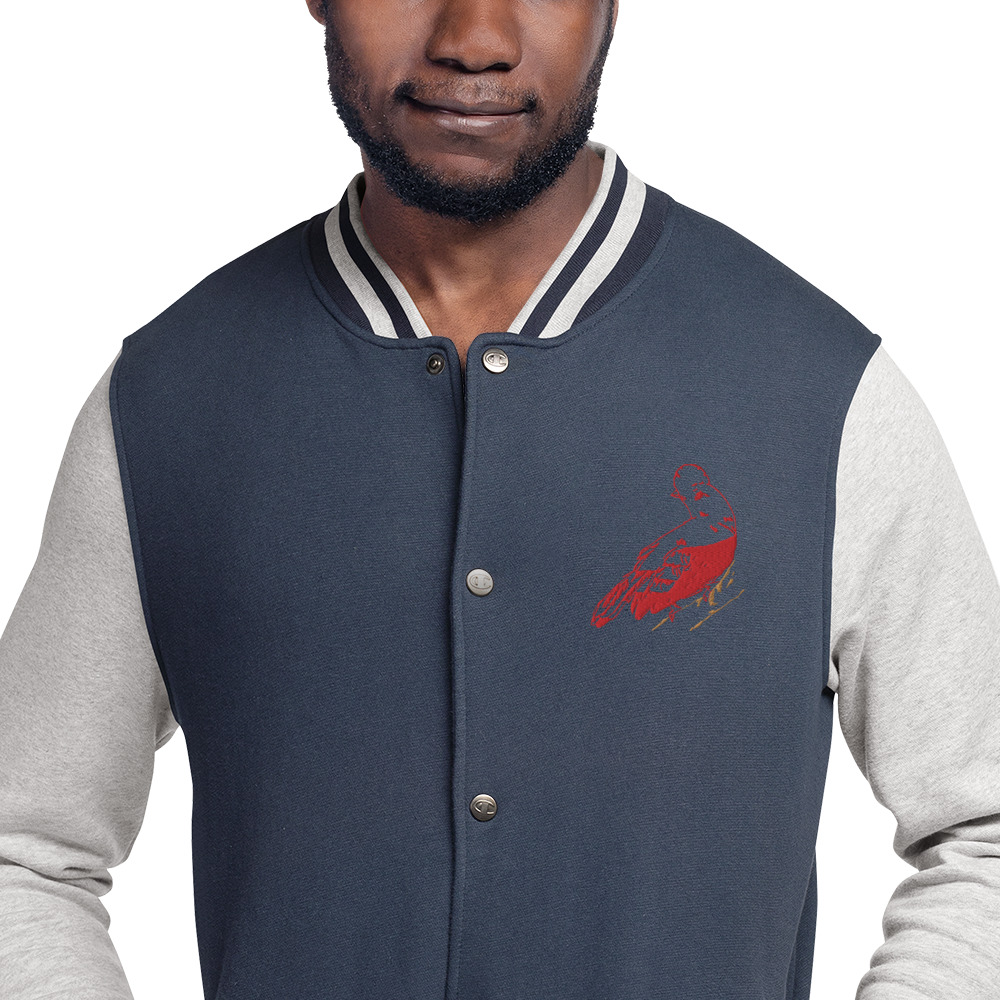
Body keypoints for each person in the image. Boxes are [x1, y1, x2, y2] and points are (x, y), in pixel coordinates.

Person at [1, 1, 998, 998]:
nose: (474, 38)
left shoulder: (819, 393)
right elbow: (24, 850)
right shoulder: (166, 402)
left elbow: (982, 833)